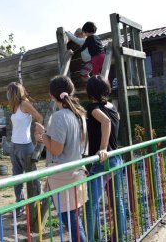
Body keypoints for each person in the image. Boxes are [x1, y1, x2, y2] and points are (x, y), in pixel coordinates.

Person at [35, 75, 87, 242]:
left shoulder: (59, 116)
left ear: (52, 95)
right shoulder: (79, 114)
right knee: (74, 219)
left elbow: (56, 149)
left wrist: (43, 134)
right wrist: (46, 136)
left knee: (71, 221)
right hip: (76, 173)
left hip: (62, 176)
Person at [85, 75, 126, 242]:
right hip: (116, 158)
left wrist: (102, 148)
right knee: (117, 202)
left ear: (90, 92)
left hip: (102, 162)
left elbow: (106, 122)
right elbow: (113, 120)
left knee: (91, 204)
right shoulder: (112, 106)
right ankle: (118, 238)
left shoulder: (93, 108)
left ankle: (93, 239)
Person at [3, 82, 43, 217]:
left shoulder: (24, 104)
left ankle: (39, 200)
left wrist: (38, 134)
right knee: (17, 177)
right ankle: (19, 205)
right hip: (14, 145)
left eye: (9, 92)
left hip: (26, 146)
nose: (7, 94)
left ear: (14, 92)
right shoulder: (14, 107)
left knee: (32, 177)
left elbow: (39, 117)